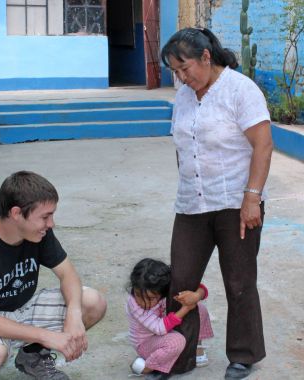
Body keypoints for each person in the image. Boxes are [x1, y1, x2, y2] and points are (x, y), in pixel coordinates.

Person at [161, 27, 273, 380]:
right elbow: (183, 147)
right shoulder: (183, 95)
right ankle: (177, 355)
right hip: (192, 203)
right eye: (175, 72)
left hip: (235, 203)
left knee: (238, 280)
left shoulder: (241, 90)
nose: (181, 78)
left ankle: (243, 354)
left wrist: (252, 197)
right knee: (180, 281)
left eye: (185, 68)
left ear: (206, 57)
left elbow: (263, 145)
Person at [0, 170, 107, 380]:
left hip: (20, 309)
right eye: (45, 216)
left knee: (93, 302)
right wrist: (48, 337)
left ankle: (32, 356)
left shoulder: (39, 233)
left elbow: (69, 275)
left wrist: (74, 315)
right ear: (16, 213)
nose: (51, 224)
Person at [126, 258, 213, 380]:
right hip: (145, 343)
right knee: (176, 341)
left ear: (162, 292)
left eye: (150, 298)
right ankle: (149, 366)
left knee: (200, 310)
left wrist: (196, 296)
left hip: (164, 330)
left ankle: (196, 347)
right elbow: (159, 328)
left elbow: (202, 289)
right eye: (138, 294)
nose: (142, 301)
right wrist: (186, 308)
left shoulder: (164, 289)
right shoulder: (134, 305)